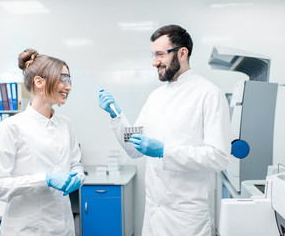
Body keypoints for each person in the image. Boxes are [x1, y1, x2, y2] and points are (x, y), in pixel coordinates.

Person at [99, 25, 231, 235]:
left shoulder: (209, 94)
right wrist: (116, 116)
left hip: (187, 218)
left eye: (160, 54)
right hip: (154, 216)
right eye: (153, 55)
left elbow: (219, 157)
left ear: (182, 52)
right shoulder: (156, 97)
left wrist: (164, 151)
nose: (154, 62)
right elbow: (134, 149)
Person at [0, 48, 85, 236]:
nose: (68, 87)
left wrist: (78, 178)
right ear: (39, 82)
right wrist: (45, 180)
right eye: (62, 79)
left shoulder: (66, 124)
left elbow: (76, 165)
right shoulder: (11, 126)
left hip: (63, 228)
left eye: (69, 80)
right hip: (26, 229)